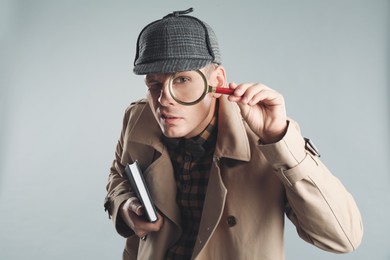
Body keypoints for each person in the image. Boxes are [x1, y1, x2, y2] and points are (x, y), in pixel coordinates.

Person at [104, 8, 363, 260]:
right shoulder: (138, 118)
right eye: (154, 84)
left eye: (181, 79)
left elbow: (344, 238)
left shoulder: (266, 138)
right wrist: (125, 206)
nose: (164, 99)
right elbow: (120, 173)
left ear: (217, 81)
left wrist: (280, 141)